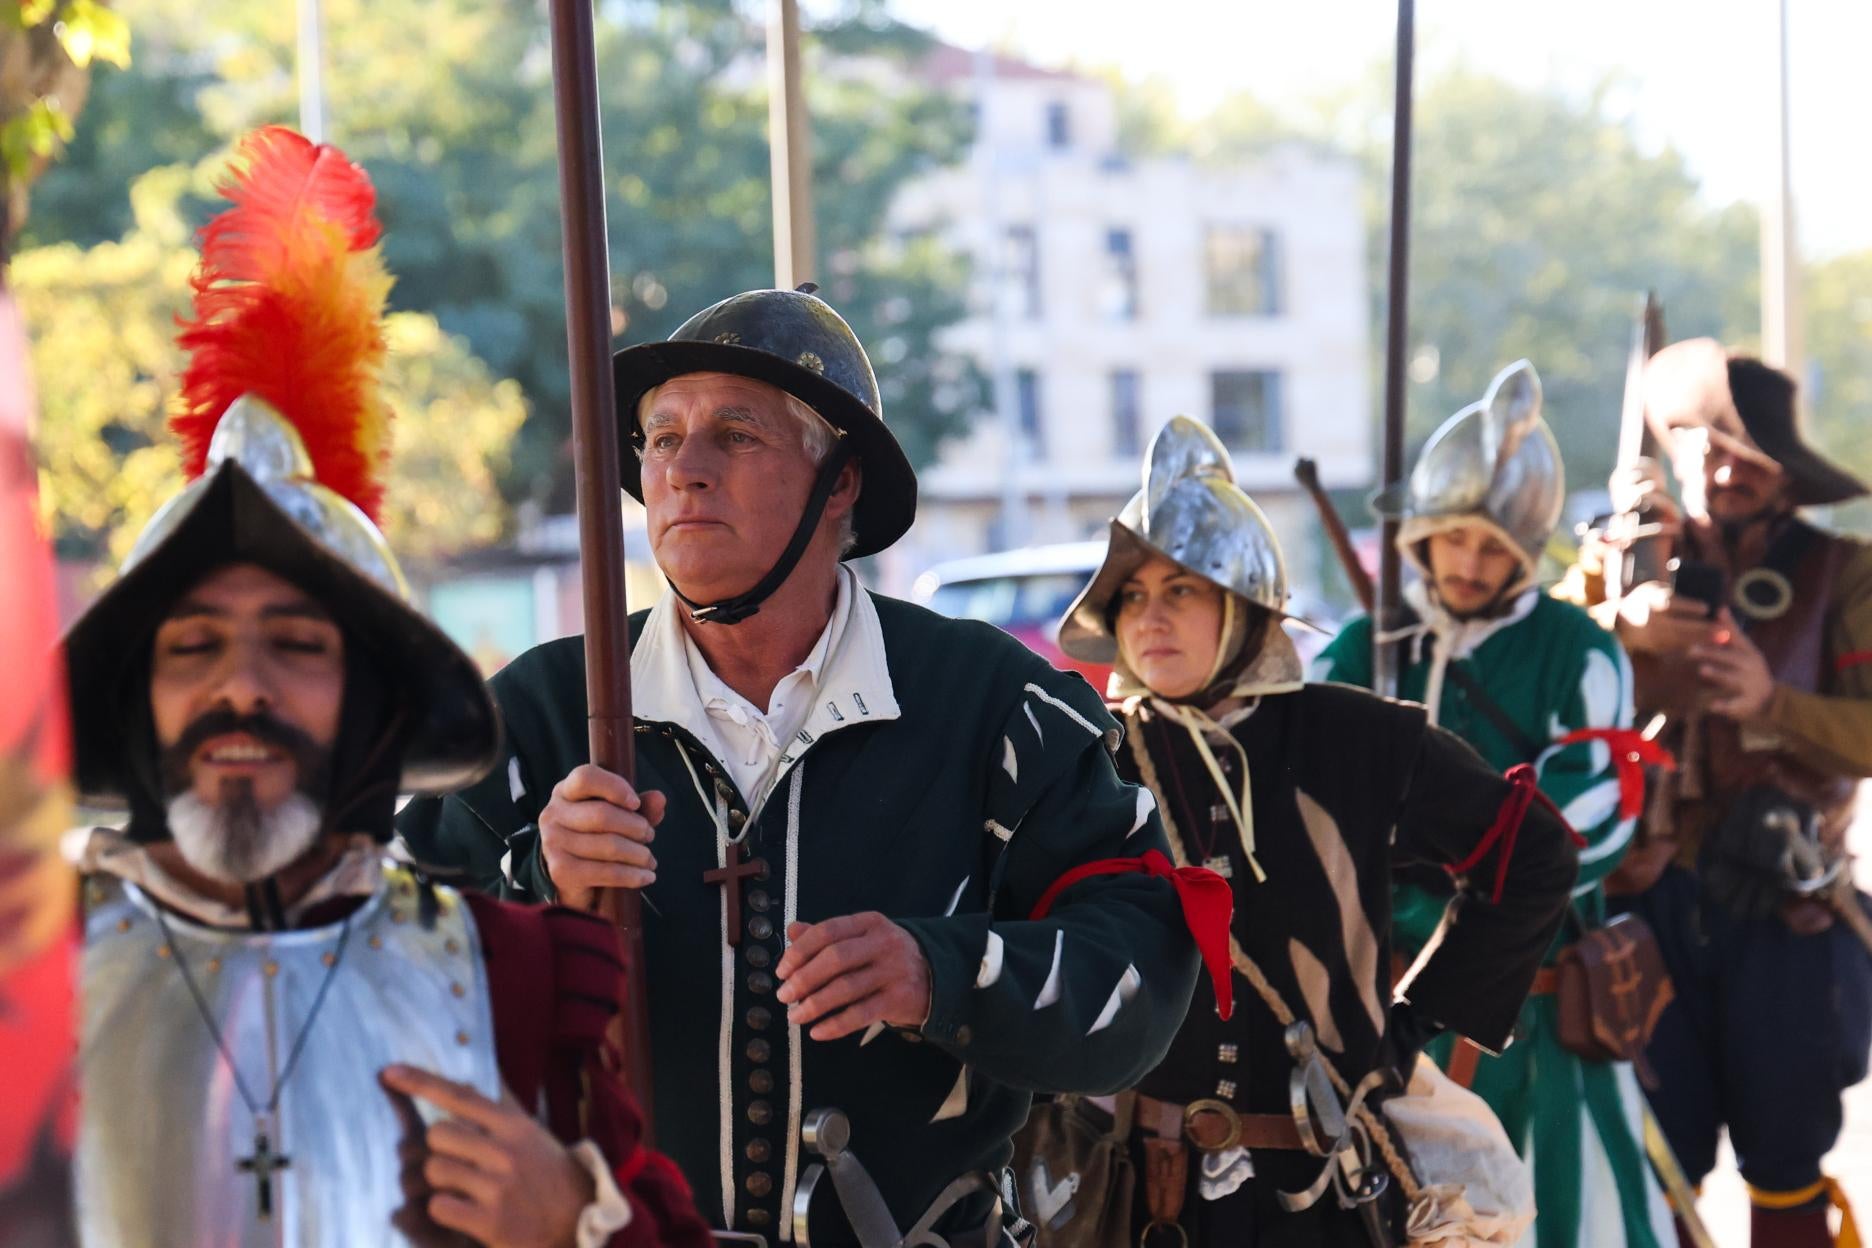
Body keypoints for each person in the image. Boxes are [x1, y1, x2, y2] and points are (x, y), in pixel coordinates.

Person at [397, 286, 1215, 1244]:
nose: (683, 471)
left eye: (735, 435)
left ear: (841, 480)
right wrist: (536, 887)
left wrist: (939, 972)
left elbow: (1140, 973)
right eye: (662, 439)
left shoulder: (996, 704)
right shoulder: (534, 715)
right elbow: (387, 985)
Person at [63, 126, 712, 1248]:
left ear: (374, 704)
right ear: (136, 701)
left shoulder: (507, 975)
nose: (242, 688)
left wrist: (576, 1221)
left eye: (297, 645)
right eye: (193, 647)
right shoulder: (26, 976)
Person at [1051, 415, 1579, 1247]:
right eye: (1134, 597)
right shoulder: (1091, 759)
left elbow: (1534, 852)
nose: (1151, 618)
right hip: (1149, 1194)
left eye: (1181, 590)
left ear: (1241, 606)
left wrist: (1414, 1022)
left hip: (1327, 1190)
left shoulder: (1357, 738)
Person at [1314, 361, 1673, 1247]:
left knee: (1570, 1220)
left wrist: (1432, 850)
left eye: (1493, 547)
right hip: (1386, 1007)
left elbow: (1590, 815)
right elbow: (1308, 803)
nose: (1470, 565)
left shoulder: (1574, 650)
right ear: (1422, 536)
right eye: (1453, 539)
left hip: (1537, 1010)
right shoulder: (1362, 649)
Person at [1562, 340, 1872, 1248]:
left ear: (1787, 473)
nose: (1727, 469)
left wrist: (1771, 705)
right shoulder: (1622, 555)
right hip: (1641, 906)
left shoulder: (1846, 572)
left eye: (1750, 455)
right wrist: (1619, 624)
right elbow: (1533, 666)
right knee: (1657, 1158)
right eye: (1710, 447)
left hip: (1786, 903)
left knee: (1786, 1163)